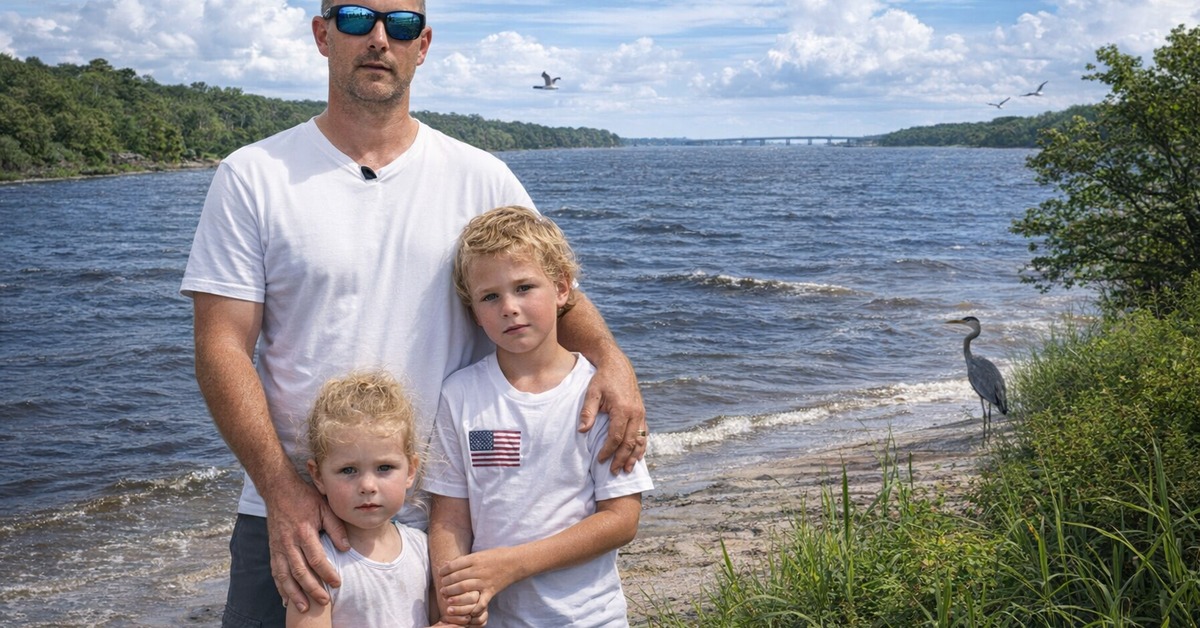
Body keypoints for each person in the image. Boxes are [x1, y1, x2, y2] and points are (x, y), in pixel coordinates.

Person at [180, 1, 647, 625]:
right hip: (299, 512)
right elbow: (221, 346)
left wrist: (614, 362)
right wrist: (279, 485)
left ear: (421, 45)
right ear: (322, 34)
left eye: (399, 24)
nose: (378, 37)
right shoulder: (253, 175)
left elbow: (550, 291)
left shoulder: (482, 176)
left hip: (450, 520)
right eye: (355, 18)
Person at [425, 206, 654, 626]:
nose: (509, 307)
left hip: (590, 618)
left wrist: (514, 564)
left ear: (563, 288)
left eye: (524, 287)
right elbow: (450, 520)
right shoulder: (460, 395)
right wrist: (455, 608)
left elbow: (621, 520)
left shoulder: (598, 395)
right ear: (474, 311)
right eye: (489, 297)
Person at [287, 369, 435, 627]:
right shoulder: (319, 563)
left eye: (384, 468)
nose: (367, 486)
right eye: (348, 470)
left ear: (411, 470)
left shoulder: (424, 550)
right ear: (318, 476)